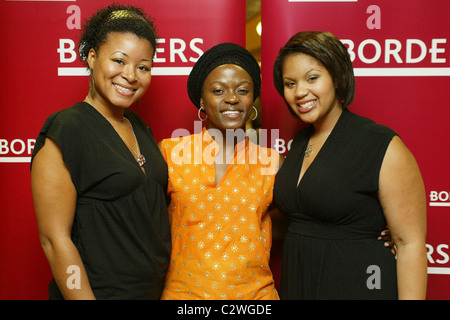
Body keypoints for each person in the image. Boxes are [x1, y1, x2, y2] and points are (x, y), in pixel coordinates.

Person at [272, 31, 427, 299]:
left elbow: (409, 243)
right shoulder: (299, 143)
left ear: (336, 77)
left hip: (361, 286)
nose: (300, 92)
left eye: (312, 78)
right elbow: (301, 219)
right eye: (290, 83)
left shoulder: (380, 143)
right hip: (300, 285)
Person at [30, 4, 171, 299]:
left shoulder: (138, 126)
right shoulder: (66, 128)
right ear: (92, 57)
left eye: (143, 67)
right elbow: (55, 241)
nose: (131, 75)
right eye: (119, 61)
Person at [158, 43, 281, 300]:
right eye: (218, 90)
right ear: (202, 100)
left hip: (255, 298)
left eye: (243, 90)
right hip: (185, 297)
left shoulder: (272, 162)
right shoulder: (171, 153)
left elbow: (303, 219)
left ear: (253, 98)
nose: (232, 98)